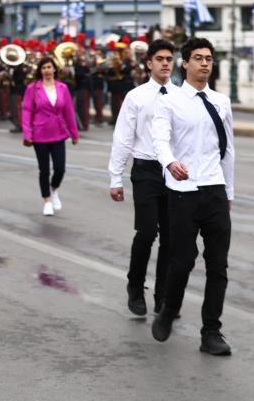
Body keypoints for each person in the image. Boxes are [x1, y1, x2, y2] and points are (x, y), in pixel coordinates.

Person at [151, 38, 235, 356]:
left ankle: (211, 332)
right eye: (198, 58)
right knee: (183, 261)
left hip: (214, 191)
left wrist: (229, 191)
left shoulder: (221, 102)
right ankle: (169, 311)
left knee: (218, 266)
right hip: (182, 192)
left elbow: (228, 151)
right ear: (184, 63)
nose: (204, 63)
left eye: (209, 59)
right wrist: (170, 163)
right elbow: (159, 139)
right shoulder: (170, 101)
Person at [108, 40, 177, 316]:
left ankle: (163, 295)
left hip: (173, 172)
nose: (165, 63)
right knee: (147, 232)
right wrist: (116, 177)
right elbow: (123, 138)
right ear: (149, 63)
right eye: (159, 58)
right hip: (146, 170)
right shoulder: (136, 97)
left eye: (169, 59)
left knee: (171, 238)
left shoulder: (181, 96)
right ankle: (135, 287)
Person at [21, 57, 79, 216]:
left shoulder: (63, 88)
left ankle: (53, 190)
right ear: (40, 71)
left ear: (54, 69)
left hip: (59, 133)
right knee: (44, 170)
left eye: (49, 67)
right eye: (44, 67)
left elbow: (69, 112)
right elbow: (26, 111)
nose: (46, 70)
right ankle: (46, 200)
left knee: (60, 168)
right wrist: (27, 133)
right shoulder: (32, 88)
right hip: (40, 134)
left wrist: (74, 134)